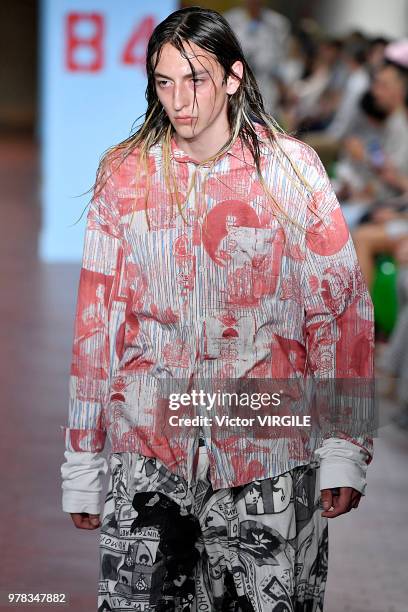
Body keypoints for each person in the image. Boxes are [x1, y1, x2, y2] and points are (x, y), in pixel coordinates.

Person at [61, 7, 374, 611]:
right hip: (149, 446)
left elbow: (340, 310)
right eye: (164, 81)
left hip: (269, 448)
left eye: (195, 79)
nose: (179, 100)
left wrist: (343, 447)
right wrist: (82, 458)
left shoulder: (289, 170)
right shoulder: (125, 175)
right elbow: (96, 324)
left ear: (232, 77)